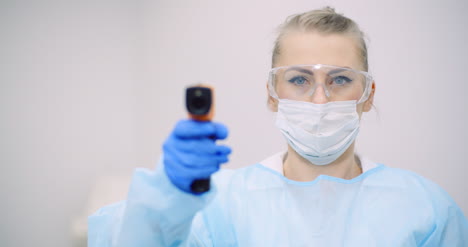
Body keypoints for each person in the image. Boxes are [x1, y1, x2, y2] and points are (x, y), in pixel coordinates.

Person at [88, 7, 468, 246]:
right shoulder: (219, 205)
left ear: (367, 94)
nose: (320, 100)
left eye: (339, 80)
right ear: (272, 93)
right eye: (299, 80)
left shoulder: (424, 209)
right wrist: (167, 196)